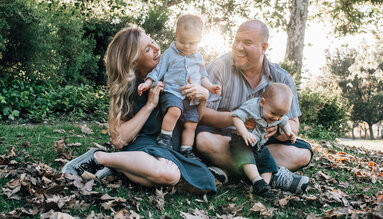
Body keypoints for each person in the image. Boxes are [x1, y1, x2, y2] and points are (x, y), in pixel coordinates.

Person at [62, 26, 216, 193]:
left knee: (196, 180)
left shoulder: (176, 72)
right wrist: (150, 105)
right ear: (134, 62)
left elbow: (193, 121)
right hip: (144, 147)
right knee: (169, 175)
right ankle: (99, 157)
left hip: (171, 149)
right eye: (148, 49)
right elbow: (119, 140)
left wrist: (203, 97)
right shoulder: (128, 89)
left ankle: (123, 168)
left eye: (153, 42)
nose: (157, 48)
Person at [195, 19, 312, 195]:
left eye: (247, 42)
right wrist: (238, 119)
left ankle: (228, 171)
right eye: (237, 40)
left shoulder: (282, 78)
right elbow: (201, 114)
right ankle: (271, 175)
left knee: (302, 154)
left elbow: (294, 123)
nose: (238, 47)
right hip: (225, 139)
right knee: (203, 141)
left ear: (264, 47)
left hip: (262, 143)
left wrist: (278, 131)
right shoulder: (218, 67)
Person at [138, 15, 221, 160]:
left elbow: (202, 76)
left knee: (191, 124)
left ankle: (186, 149)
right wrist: (147, 83)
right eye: (183, 41)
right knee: (174, 111)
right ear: (176, 35)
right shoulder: (169, 54)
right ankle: (165, 137)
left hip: (191, 98)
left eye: (192, 43)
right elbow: (158, 71)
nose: (187, 46)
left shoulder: (198, 58)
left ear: (200, 40)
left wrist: (210, 87)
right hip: (172, 92)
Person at [230, 83, 297, 198]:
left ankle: (264, 187)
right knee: (245, 155)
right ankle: (257, 180)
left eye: (280, 115)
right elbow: (236, 117)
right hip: (241, 140)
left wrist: (288, 132)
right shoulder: (252, 107)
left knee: (268, 161)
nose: (276, 118)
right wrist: (244, 133)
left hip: (259, 144)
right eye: (273, 114)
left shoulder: (278, 113)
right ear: (262, 102)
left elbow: (284, 121)